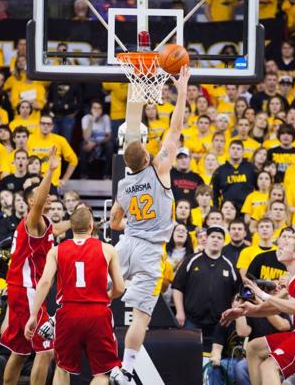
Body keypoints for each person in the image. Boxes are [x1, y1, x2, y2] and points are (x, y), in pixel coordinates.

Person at [108, 66, 190, 382]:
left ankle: (58, 320)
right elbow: (175, 126)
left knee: (97, 292)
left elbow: (115, 224)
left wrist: (129, 222)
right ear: (146, 157)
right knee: (140, 316)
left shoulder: (124, 187)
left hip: (126, 244)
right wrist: (181, 90)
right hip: (150, 251)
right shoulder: (160, 169)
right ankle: (126, 370)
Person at [220, 230, 295, 385]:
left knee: (269, 366)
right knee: (254, 348)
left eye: (288, 244)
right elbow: (275, 308)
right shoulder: (293, 276)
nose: (281, 245)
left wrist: (263, 295)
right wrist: (245, 311)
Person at [24, 206, 126, 384]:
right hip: (98, 313)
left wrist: (33, 315)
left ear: (71, 227)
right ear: (91, 225)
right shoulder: (107, 249)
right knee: (102, 373)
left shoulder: (56, 250)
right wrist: (107, 297)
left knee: (62, 368)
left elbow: (45, 282)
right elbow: (120, 287)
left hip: (68, 313)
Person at [0, 146, 60, 385]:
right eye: (41, 196)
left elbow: (63, 228)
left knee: (20, 349)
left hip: (23, 288)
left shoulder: (43, 224)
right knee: (46, 350)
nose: (48, 197)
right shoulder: (32, 220)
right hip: (27, 290)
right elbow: (38, 201)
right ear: (32, 201)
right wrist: (50, 171)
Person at [172, 225, 239, 338]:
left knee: (216, 355)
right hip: (191, 320)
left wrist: (232, 312)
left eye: (219, 238)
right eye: (212, 236)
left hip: (220, 322)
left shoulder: (229, 264)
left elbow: (237, 292)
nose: (215, 240)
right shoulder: (191, 260)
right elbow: (177, 287)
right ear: (206, 239)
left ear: (224, 242)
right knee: (190, 354)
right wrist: (180, 312)